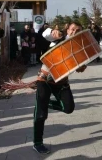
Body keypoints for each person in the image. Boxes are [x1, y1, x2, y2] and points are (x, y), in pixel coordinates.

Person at [33, 21, 87, 154]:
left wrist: (82, 67)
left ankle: (43, 103)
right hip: (45, 79)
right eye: (72, 29)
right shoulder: (58, 38)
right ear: (67, 30)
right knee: (41, 114)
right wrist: (52, 32)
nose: (75, 32)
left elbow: (81, 66)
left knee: (69, 108)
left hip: (61, 83)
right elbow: (46, 34)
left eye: (78, 30)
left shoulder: (79, 47)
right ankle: (37, 142)